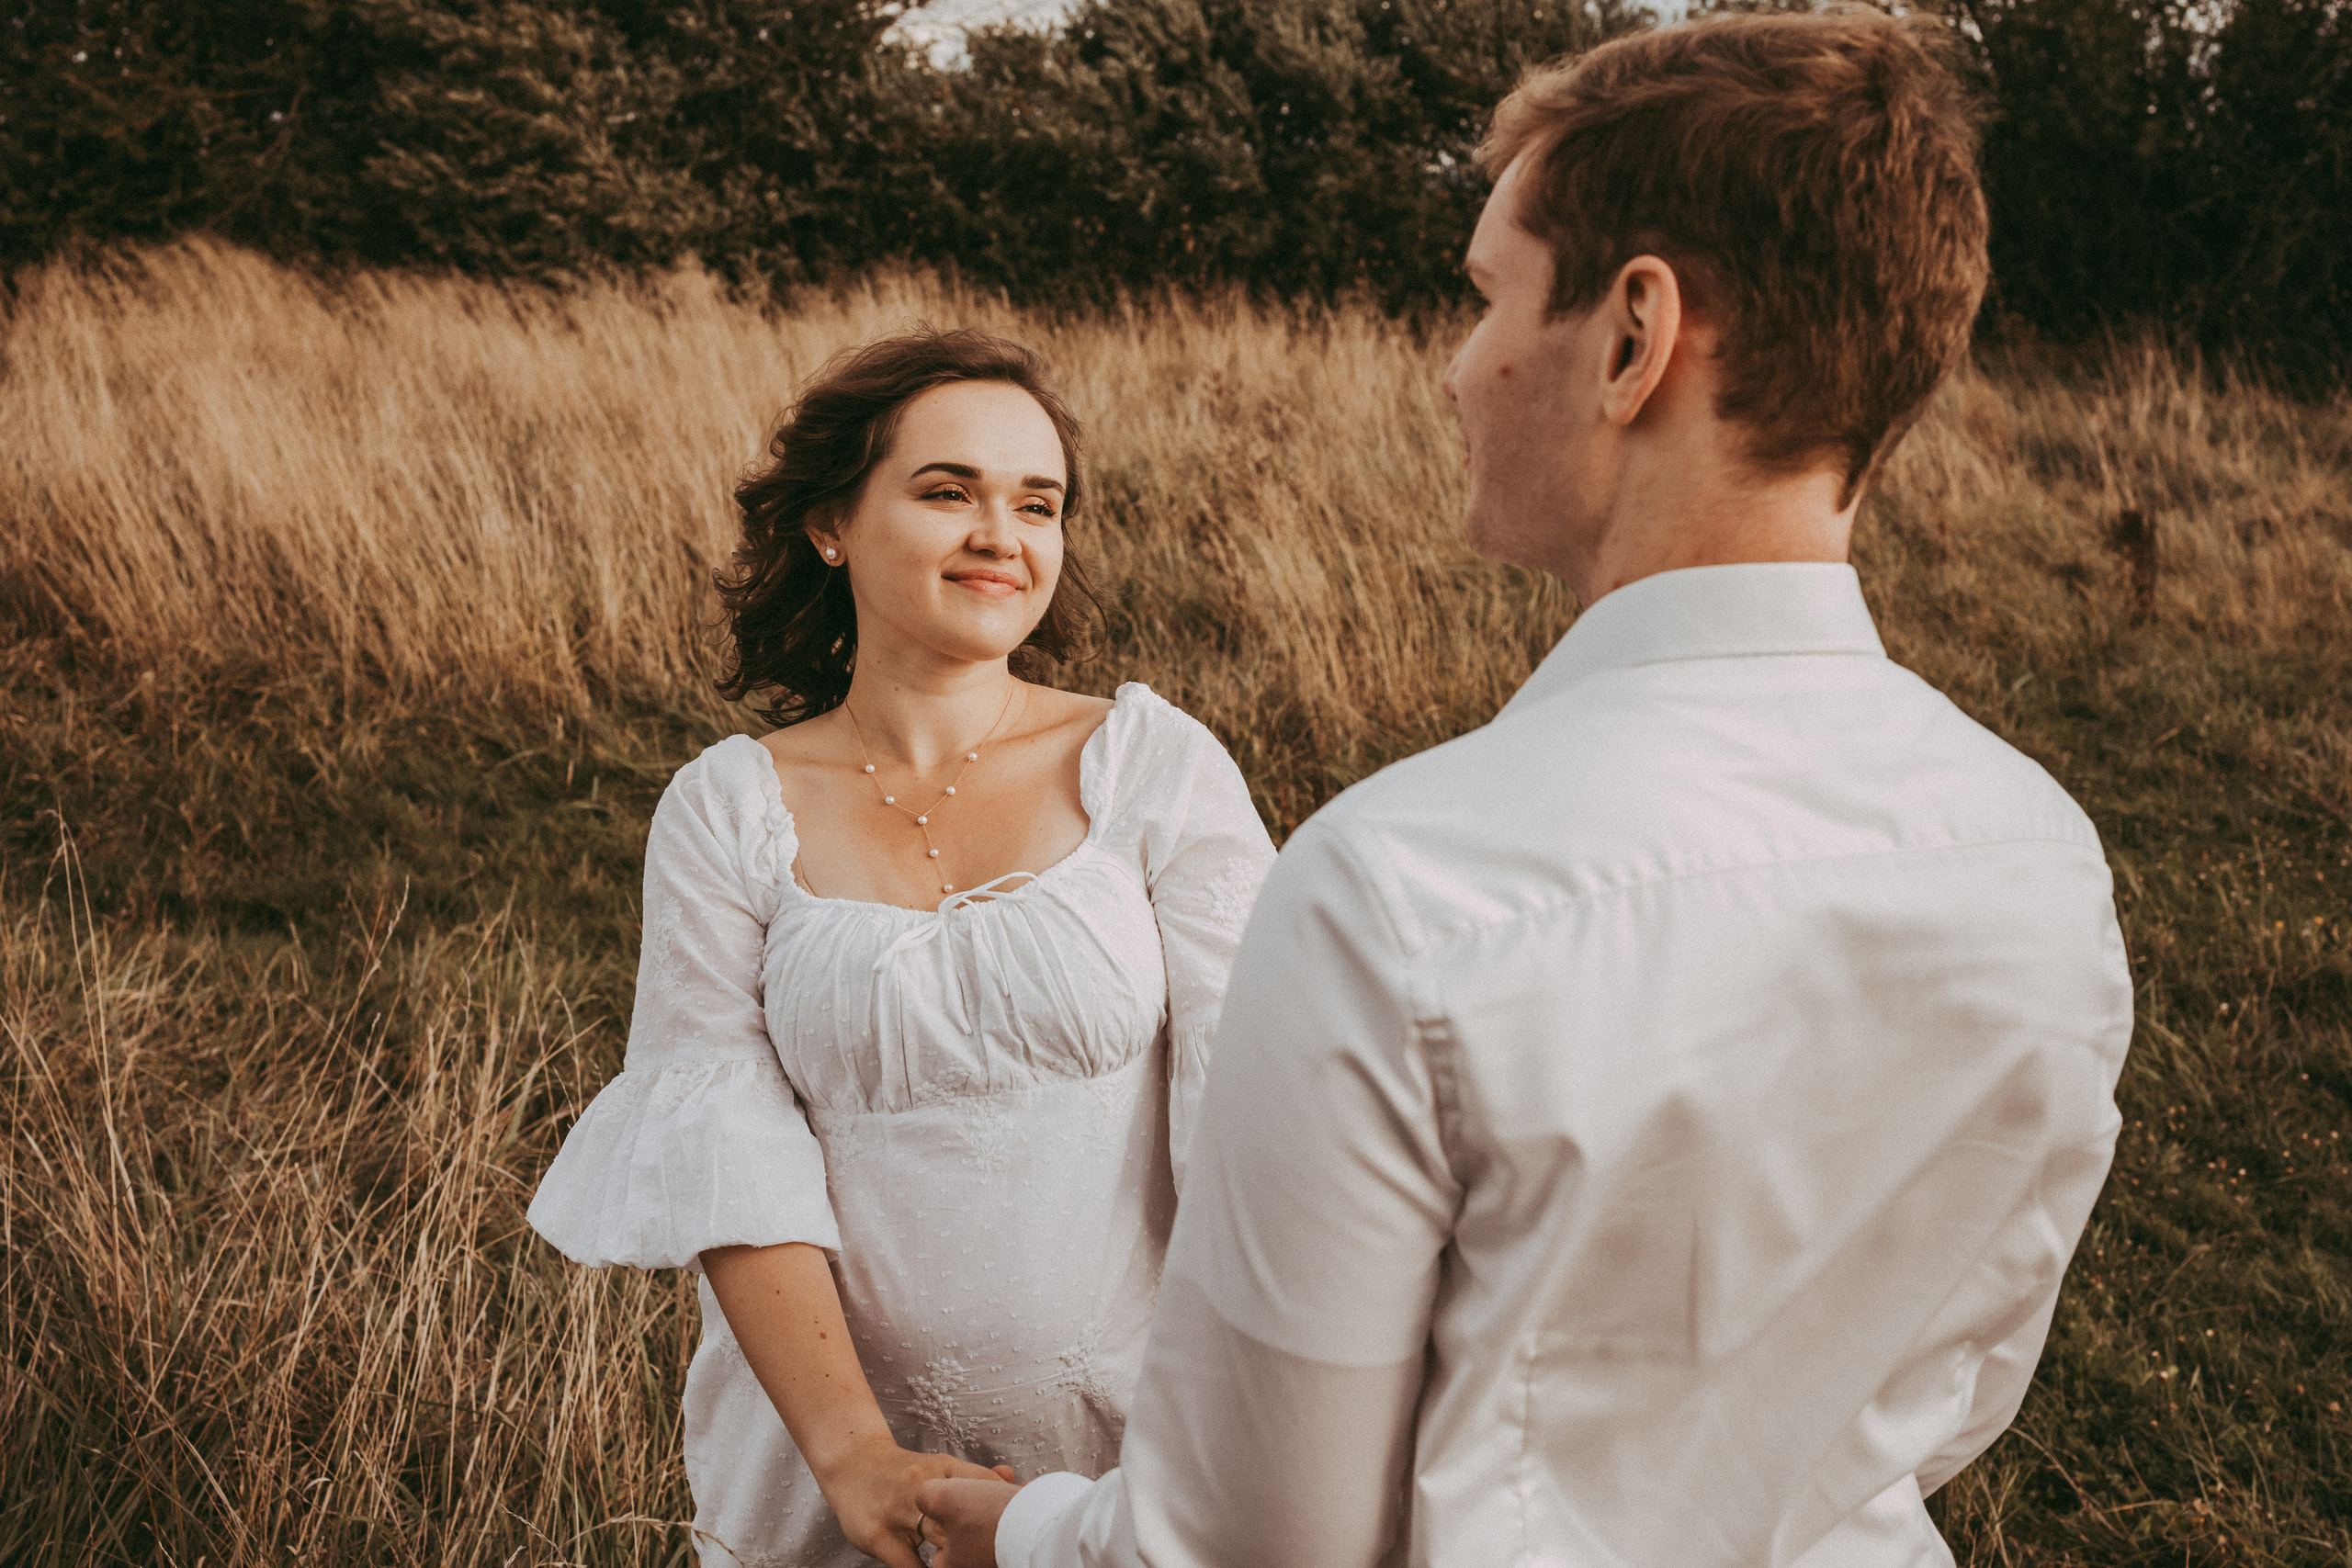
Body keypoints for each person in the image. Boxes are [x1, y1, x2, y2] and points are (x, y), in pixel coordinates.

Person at [918, 14, 2133, 1568]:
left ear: (1633, 337)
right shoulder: (2040, 857)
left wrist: (1022, 1534)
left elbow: (1257, 1546)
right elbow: (1948, 1399)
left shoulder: (1404, 890)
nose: (1455, 368)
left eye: (1487, 296)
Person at [526, 329, 1277, 1568]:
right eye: (948, 492)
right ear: (831, 523)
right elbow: (729, 1151)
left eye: (1039, 504)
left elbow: (1255, 1116)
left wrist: (1242, 1447)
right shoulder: (728, 807)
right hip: (823, 1483)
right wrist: (855, 1459)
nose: (1003, 535)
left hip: (1129, 1473)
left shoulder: (1153, 766)